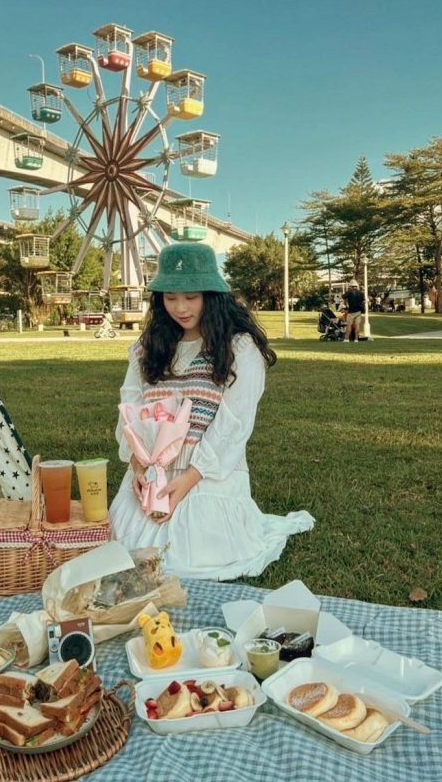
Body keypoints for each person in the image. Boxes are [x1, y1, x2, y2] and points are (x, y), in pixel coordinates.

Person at [108, 243, 314, 580]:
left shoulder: (239, 349)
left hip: (206, 471)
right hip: (152, 471)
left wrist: (187, 480)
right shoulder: (147, 348)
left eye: (191, 296)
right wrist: (137, 464)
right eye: (170, 297)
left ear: (211, 294)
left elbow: (234, 424)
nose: (180, 307)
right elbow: (131, 408)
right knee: (126, 552)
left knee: (194, 555)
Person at [341, 279, 365, 343]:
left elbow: (343, 296)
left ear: (351, 286)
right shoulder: (361, 293)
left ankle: (346, 339)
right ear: (356, 286)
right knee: (357, 325)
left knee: (349, 325)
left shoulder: (349, 291)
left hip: (351, 311)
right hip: (359, 311)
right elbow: (363, 301)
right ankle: (356, 339)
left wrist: (346, 289)